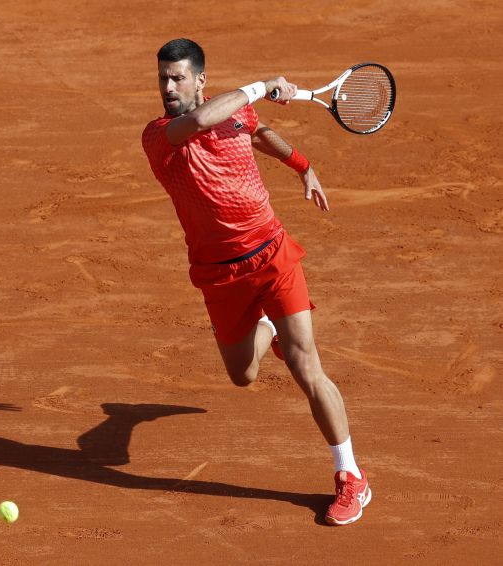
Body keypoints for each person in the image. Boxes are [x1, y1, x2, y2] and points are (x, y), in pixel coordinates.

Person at [141, 38, 370, 525]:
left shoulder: (235, 112)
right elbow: (205, 120)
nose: (167, 86)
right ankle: (270, 325)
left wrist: (302, 166)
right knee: (242, 375)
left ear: (200, 79)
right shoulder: (160, 135)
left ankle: (350, 476)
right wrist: (263, 85)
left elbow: (259, 130)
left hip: (272, 255)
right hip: (219, 275)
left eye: (177, 77)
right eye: (162, 77)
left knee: (307, 368)